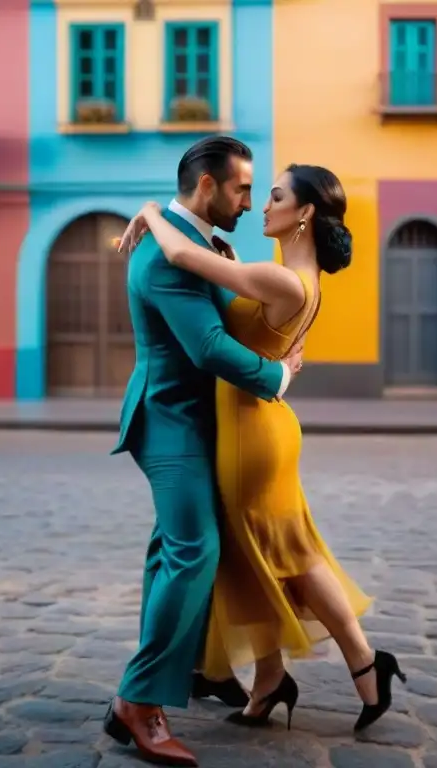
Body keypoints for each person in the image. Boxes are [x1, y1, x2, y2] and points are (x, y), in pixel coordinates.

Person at [117, 162, 406, 741]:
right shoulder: (289, 273)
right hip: (257, 424)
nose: (261, 204)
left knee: (275, 552)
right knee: (273, 551)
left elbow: (182, 259)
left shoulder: (285, 281)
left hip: (252, 428)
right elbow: (223, 276)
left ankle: (356, 665)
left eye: (274, 196)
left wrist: (151, 212)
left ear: (303, 213)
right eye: (256, 192)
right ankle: (297, 674)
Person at [104, 136, 305, 768]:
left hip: (196, 421)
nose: (250, 200)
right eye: (243, 188)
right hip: (171, 422)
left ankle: (194, 667)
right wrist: (279, 378)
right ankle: (137, 703)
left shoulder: (197, 242)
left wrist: (149, 210)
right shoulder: (169, 260)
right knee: (194, 553)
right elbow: (210, 347)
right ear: (208, 187)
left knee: (175, 549)